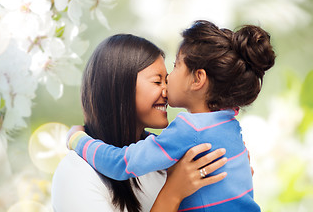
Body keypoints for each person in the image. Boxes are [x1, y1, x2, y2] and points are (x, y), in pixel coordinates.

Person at [68, 20, 276, 211]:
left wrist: (78, 140)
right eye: (157, 81)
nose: (167, 85)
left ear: (198, 79)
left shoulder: (189, 128)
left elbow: (122, 163)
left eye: (175, 66)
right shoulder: (228, 122)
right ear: (119, 86)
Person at [51, 33, 228, 212]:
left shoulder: (164, 163)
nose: (167, 91)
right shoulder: (75, 172)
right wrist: (173, 193)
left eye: (166, 81)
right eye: (157, 81)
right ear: (120, 87)